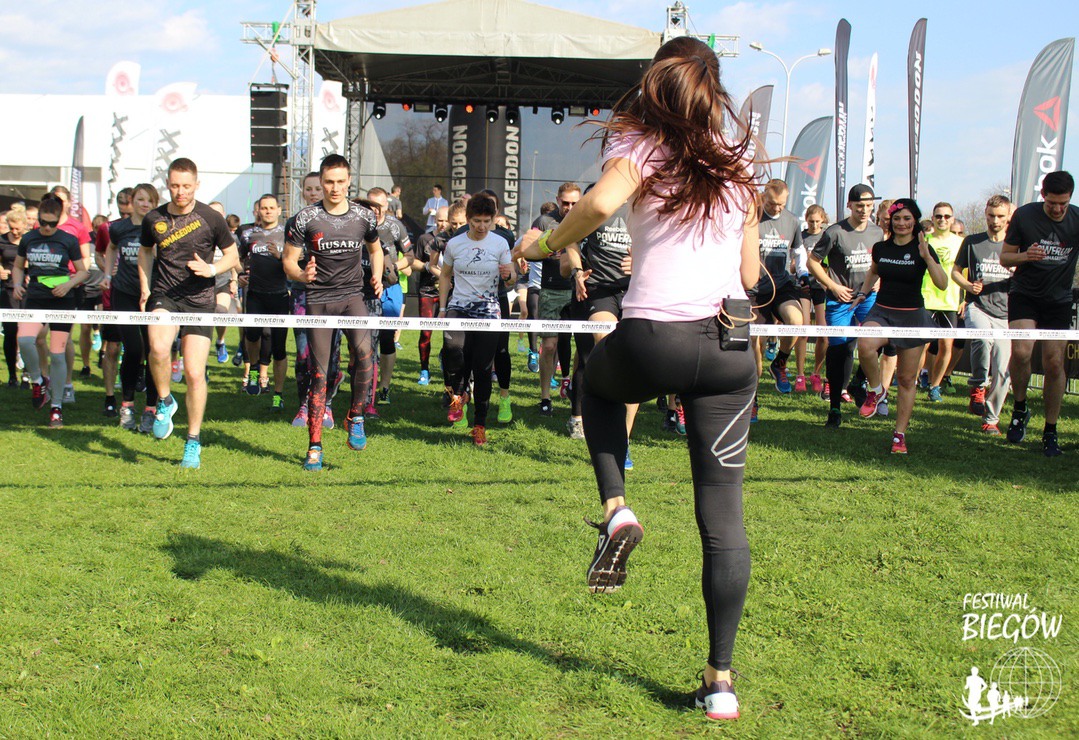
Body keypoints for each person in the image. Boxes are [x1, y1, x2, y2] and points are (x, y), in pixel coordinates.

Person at [519, 36, 760, 721]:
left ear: (657, 82)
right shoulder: (737, 160)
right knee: (723, 518)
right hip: (729, 348)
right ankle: (720, 681)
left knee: (596, 385)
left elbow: (598, 206)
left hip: (655, 335)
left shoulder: (640, 143)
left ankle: (616, 507)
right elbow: (749, 274)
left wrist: (545, 244)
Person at [283, 154, 383, 471]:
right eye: (329, 182)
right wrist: (301, 275)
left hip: (353, 297)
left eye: (340, 181)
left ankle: (355, 416)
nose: (335, 188)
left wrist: (377, 275)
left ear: (349, 181)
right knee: (320, 374)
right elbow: (288, 261)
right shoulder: (305, 218)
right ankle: (315, 447)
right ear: (321, 182)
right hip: (319, 299)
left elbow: (376, 249)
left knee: (365, 356)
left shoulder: (364, 216)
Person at [138, 158, 240, 469]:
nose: (180, 192)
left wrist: (211, 269)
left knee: (195, 373)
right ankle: (165, 400)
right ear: (167, 185)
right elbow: (145, 252)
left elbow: (232, 255)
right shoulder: (154, 218)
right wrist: (145, 288)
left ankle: (193, 441)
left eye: (186, 186)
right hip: (165, 296)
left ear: (196, 185)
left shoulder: (210, 217)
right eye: (174, 186)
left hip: (199, 301)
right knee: (158, 348)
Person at [851, 198, 948, 454]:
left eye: (907, 219)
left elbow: (942, 284)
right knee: (865, 343)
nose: (901, 223)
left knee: (906, 379)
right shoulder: (881, 248)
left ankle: (899, 435)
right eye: (897, 219)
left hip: (912, 316)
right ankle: (876, 390)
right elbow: (873, 271)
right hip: (882, 311)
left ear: (914, 221)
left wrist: (927, 258)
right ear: (890, 221)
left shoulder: (924, 248)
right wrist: (862, 293)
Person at [1000, 170, 1079, 456]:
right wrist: (1025, 256)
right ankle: (1020, 408)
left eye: (1063, 203)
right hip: (1025, 294)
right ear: (1043, 195)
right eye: (1052, 203)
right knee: (1022, 352)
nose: (1057, 209)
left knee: (1054, 362)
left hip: (1059, 300)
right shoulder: (1025, 216)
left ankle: (1050, 430)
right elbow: (1005, 257)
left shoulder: (1076, 219)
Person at [438, 193, 514, 445]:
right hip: (459, 307)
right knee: (453, 350)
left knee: (482, 368)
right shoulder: (455, 244)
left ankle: (479, 425)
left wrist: (510, 275)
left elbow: (511, 279)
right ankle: (458, 396)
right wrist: (442, 307)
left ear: (493, 219)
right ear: (468, 219)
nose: (482, 226)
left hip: (489, 310)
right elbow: (445, 275)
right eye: (476, 221)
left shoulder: (500, 243)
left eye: (486, 221)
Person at [808, 184, 885, 428]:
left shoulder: (877, 232)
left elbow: (879, 263)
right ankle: (834, 408)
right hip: (840, 299)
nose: (864, 210)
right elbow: (812, 262)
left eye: (869, 206)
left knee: (879, 341)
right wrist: (832, 286)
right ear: (850, 205)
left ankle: (858, 382)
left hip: (867, 297)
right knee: (839, 350)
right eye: (859, 205)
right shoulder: (835, 232)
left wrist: (879, 279)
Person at [11, 195, 90, 427]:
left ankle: (56, 407)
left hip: (62, 299)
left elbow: (83, 271)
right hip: (35, 297)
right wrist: (17, 284)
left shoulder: (68, 239)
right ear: (38, 219)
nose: (47, 228)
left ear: (59, 219)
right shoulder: (29, 238)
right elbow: (18, 266)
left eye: (52, 223)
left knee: (57, 354)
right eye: (43, 223)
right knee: (25, 340)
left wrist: (68, 284)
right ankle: (38, 380)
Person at [514, 182, 581, 415]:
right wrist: (525, 256)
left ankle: (573, 387)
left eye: (574, 203)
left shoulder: (585, 219)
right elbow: (526, 247)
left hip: (579, 290)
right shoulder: (544, 221)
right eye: (565, 203)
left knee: (582, 346)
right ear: (558, 200)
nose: (569, 207)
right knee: (549, 345)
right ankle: (545, 398)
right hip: (550, 289)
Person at [952, 195, 1013, 434]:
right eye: (991, 216)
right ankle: (977, 385)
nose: (995, 221)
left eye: (1000, 216)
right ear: (985, 214)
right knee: (981, 337)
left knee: (1002, 368)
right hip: (977, 306)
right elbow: (955, 272)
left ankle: (991, 419)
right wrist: (968, 286)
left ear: (1008, 217)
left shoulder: (1016, 246)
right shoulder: (972, 242)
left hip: (1006, 313)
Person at [104, 183, 160, 432]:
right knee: (134, 349)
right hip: (124, 293)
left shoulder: (159, 228)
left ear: (155, 204)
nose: (144, 204)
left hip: (153, 295)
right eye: (140, 199)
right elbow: (110, 248)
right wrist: (108, 274)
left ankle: (151, 409)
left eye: (150, 200)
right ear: (132, 201)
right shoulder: (119, 228)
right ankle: (126, 406)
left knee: (154, 351)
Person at [752, 179, 807, 408]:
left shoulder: (792, 220)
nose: (776, 208)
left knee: (797, 321)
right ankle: (752, 400)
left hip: (781, 284)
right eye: (772, 204)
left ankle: (780, 362)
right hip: (754, 289)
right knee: (755, 345)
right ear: (764, 197)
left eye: (781, 204)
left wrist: (803, 273)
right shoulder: (752, 218)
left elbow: (799, 250)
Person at [237, 194, 289, 409]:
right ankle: (254, 368)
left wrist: (280, 256)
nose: (267, 211)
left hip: (280, 296)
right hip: (255, 294)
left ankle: (278, 394)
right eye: (264, 208)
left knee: (279, 348)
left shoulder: (287, 233)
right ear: (258, 210)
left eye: (271, 208)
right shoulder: (248, 234)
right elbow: (237, 258)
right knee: (252, 335)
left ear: (279, 210)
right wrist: (239, 274)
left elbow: (297, 261)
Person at [367, 186, 414, 408]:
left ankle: (384, 387)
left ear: (388, 205)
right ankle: (365, 386)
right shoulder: (358, 223)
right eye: (372, 205)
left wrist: (393, 266)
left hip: (390, 288)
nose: (376, 210)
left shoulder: (395, 226)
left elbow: (410, 257)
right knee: (363, 342)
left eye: (380, 206)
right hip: (363, 288)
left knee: (387, 339)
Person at [921, 202, 963, 402]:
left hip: (950, 301)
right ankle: (914, 379)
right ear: (933, 218)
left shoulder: (961, 243)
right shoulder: (924, 241)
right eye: (938, 216)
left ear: (952, 219)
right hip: (926, 297)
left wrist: (965, 299)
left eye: (946, 216)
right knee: (921, 344)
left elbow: (966, 273)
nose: (942, 220)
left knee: (946, 345)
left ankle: (935, 386)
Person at [413, 205, 451, 385]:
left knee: (450, 335)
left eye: (446, 220)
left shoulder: (456, 239)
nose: (443, 224)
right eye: (439, 220)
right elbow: (414, 263)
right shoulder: (425, 239)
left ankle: (446, 361)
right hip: (428, 291)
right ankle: (424, 370)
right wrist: (429, 267)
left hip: (451, 293)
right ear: (434, 220)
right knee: (426, 333)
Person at [800, 204, 829, 394]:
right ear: (806, 219)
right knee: (803, 330)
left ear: (823, 220)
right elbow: (793, 264)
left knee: (824, 334)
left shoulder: (827, 236)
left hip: (821, 287)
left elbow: (829, 264)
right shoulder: (801, 236)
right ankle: (800, 374)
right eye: (811, 221)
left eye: (818, 221)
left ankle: (816, 373)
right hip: (803, 285)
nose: (814, 225)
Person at [1, 208, 28, 386]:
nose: (15, 231)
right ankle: (12, 375)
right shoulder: (2, 240)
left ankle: (27, 373)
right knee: (10, 332)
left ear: (25, 225)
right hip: (7, 290)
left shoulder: (30, 240)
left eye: (18, 228)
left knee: (27, 334)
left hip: (28, 290)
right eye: (11, 228)